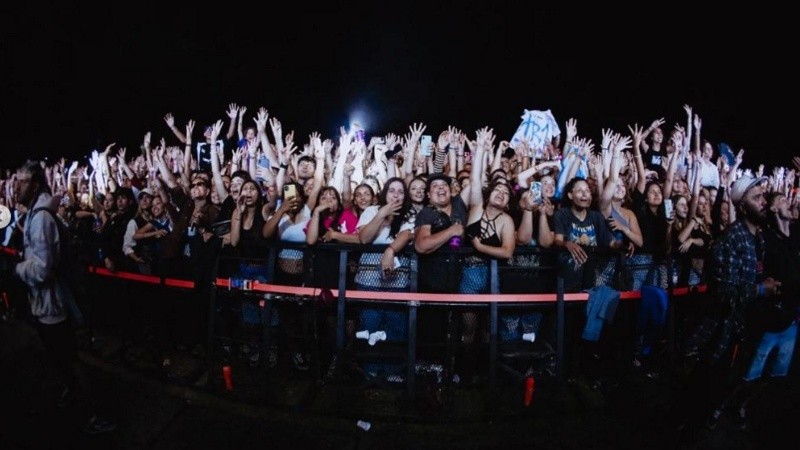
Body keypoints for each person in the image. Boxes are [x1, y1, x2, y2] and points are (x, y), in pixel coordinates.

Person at [13, 160, 116, 434]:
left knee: (69, 358)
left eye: (21, 182)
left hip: (53, 305)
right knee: (62, 359)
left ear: (34, 185)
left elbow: (43, 268)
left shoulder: (42, 219)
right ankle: (76, 398)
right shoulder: (36, 214)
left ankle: (93, 414)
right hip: (45, 304)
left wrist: (19, 267)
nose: (15, 187)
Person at [673, 174, 781, 436]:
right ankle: (685, 429)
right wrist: (761, 288)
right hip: (720, 330)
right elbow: (725, 293)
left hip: (741, 327)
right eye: (757, 198)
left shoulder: (760, 238)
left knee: (722, 384)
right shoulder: (731, 239)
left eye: (763, 196)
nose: (764, 202)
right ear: (742, 207)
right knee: (705, 385)